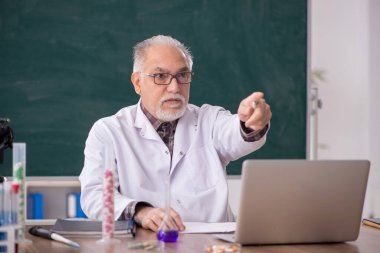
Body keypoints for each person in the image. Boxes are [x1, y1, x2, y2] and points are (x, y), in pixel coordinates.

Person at [79, 35, 272, 232]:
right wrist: (141, 212)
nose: (174, 87)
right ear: (137, 82)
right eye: (160, 76)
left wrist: (250, 123)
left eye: (182, 75)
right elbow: (94, 196)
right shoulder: (109, 131)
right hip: (147, 243)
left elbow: (235, 132)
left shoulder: (209, 120)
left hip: (213, 243)